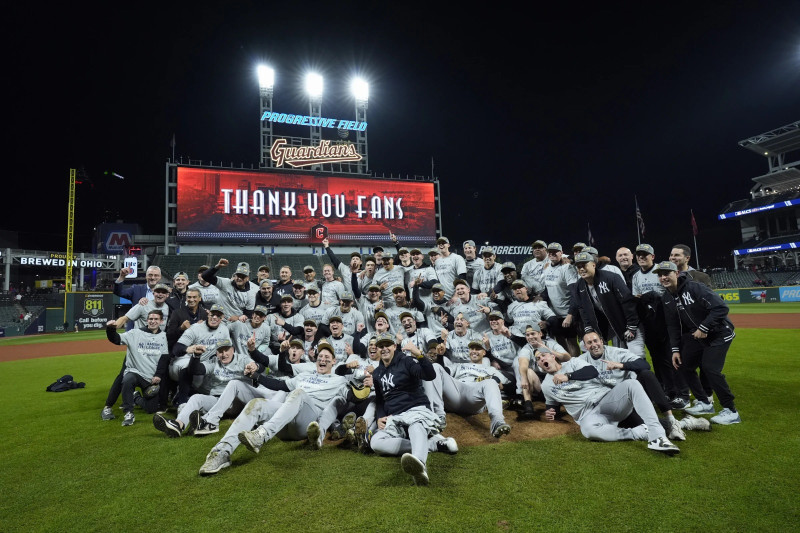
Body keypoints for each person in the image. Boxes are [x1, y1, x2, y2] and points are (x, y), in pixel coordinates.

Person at [198, 342, 348, 475]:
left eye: (327, 357)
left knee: (299, 393)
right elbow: (279, 386)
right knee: (257, 404)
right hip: (285, 423)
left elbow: (353, 398)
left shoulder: (339, 380)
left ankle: (262, 434)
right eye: (320, 356)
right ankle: (221, 452)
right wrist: (256, 376)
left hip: (307, 423)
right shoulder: (304, 376)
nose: (323, 359)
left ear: (334, 361)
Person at [536, 350, 680, 455]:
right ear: (539, 366)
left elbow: (592, 371)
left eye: (543, 355)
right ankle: (640, 432)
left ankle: (657, 437)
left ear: (552, 356)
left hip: (607, 401)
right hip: (588, 415)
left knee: (631, 384)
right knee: (587, 431)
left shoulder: (573, 363)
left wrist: (569, 376)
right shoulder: (546, 385)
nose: (542, 359)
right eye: (538, 359)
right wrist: (550, 411)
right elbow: (552, 404)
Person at [655, 261, 741, 424]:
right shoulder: (667, 297)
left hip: (719, 333)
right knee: (682, 365)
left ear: (677, 274)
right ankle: (704, 402)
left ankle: (731, 411)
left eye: (667, 273)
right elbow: (672, 325)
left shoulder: (695, 287)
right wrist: (675, 350)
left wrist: (704, 327)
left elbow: (721, 308)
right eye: (660, 275)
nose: (663, 277)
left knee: (710, 369)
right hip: (697, 336)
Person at [369, 333, 457, 486]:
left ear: (394, 347)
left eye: (387, 345)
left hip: (415, 409)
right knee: (375, 443)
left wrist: (420, 355)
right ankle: (433, 444)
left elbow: (429, 375)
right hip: (395, 417)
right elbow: (380, 399)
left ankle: (420, 466)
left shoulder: (406, 361)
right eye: (381, 346)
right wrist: (380, 416)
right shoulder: (377, 373)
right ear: (377, 349)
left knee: (416, 426)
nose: (384, 349)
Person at [152, 338, 258, 437]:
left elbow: (256, 366)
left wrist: (254, 366)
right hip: (218, 400)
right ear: (216, 353)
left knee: (233, 387)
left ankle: (203, 422)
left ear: (233, 350)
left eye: (227, 350)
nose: (224, 354)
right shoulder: (214, 362)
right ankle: (178, 425)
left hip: (238, 401)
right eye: (220, 351)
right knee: (196, 398)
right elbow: (196, 370)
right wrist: (196, 356)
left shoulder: (242, 359)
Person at [102, 310, 169, 426]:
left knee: (151, 409)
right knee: (127, 379)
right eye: (151, 319)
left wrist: (158, 375)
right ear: (147, 320)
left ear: (161, 321)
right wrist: (110, 329)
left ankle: (136, 397)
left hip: (150, 377)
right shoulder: (135, 333)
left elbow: (164, 358)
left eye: (156, 319)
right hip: (135, 372)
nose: (153, 321)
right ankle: (129, 413)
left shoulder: (163, 337)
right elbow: (116, 339)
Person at [572, 252, 644, 357]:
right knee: (586, 346)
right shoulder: (579, 285)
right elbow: (583, 308)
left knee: (636, 355)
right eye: (578, 267)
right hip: (607, 324)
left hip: (628, 321)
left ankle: (643, 373)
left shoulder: (611, 277)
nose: (581, 269)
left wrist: (632, 325)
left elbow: (627, 301)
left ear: (593, 264)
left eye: (584, 265)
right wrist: (588, 328)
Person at [541, 243, 580, 357]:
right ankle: (565, 364)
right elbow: (547, 289)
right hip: (553, 314)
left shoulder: (567, 268)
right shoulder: (547, 268)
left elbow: (574, 293)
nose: (552, 254)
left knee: (572, 342)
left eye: (555, 251)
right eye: (550, 252)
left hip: (566, 313)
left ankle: (576, 365)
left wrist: (570, 315)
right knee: (560, 342)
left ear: (561, 253)